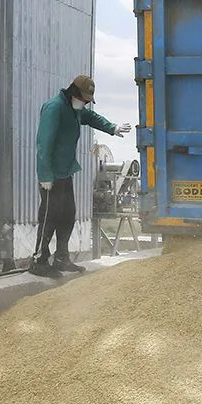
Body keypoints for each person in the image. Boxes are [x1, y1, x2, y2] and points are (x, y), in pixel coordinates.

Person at [31, 75, 131, 277]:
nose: (85, 103)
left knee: (67, 215)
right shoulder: (54, 108)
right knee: (50, 216)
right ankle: (39, 260)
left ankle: (61, 257)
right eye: (84, 98)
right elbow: (44, 143)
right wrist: (45, 175)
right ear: (73, 93)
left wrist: (112, 127)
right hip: (51, 175)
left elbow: (91, 118)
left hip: (66, 172)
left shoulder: (74, 110)